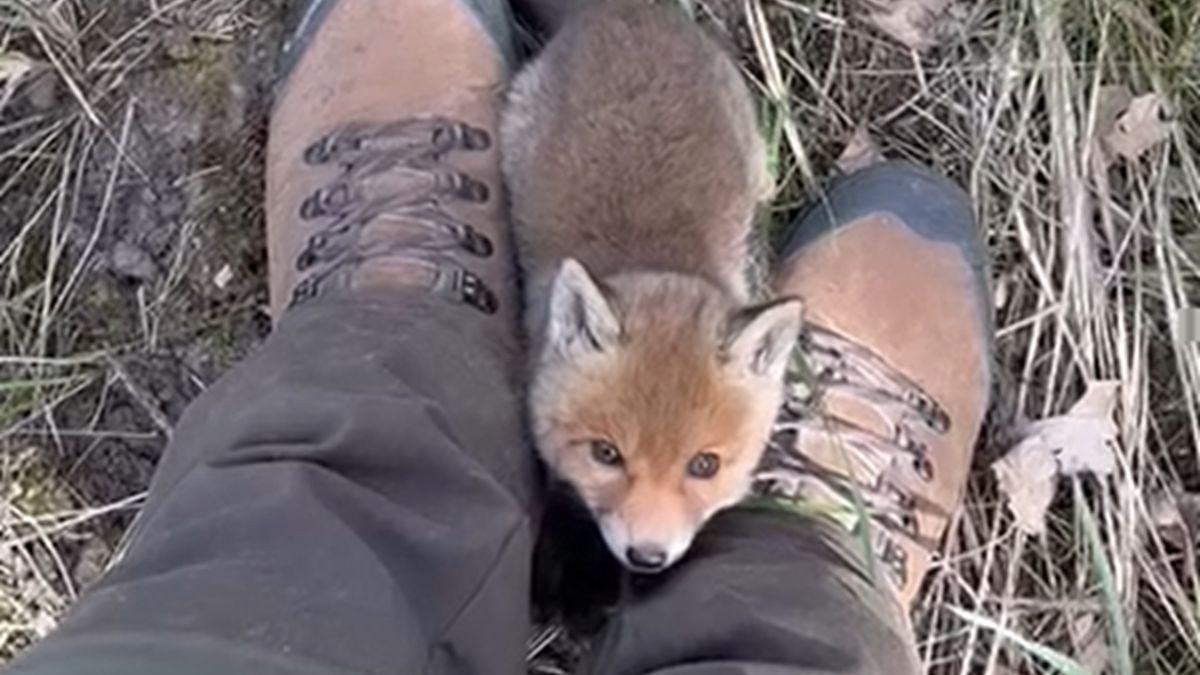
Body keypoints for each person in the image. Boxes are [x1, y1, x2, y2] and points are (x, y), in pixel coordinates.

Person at [7, 0, 991, 673]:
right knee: (805, 641)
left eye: (700, 466)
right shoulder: (597, 329)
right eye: (612, 457)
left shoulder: (668, 360)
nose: (650, 527)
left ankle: (389, 384)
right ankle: (795, 590)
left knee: (299, 545)